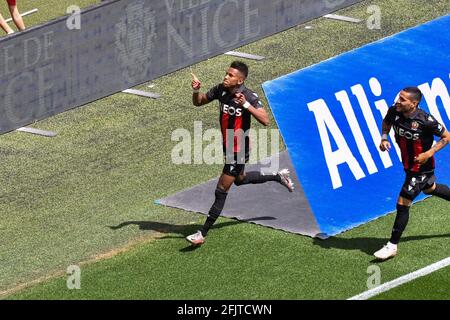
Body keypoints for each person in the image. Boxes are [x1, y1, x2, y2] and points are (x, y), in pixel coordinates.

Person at [186, 61, 295, 245]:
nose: (225, 77)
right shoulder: (220, 90)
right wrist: (196, 90)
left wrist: (245, 105)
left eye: (230, 75)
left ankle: (202, 234)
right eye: (226, 74)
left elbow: (265, 120)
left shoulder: (249, 96)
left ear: (240, 80)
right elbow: (199, 102)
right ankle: (278, 176)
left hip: (238, 149)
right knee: (240, 179)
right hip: (227, 146)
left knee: (221, 189)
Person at [374, 86, 450, 260]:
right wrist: (384, 137)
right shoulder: (394, 111)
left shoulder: (426, 120)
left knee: (403, 203)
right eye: (399, 97)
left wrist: (429, 153)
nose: (398, 102)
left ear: (413, 103)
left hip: (421, 168)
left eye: (403, 99)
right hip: (408, 165)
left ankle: (392, 246)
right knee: (430, 189)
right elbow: (386, 122)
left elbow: (447, 137)